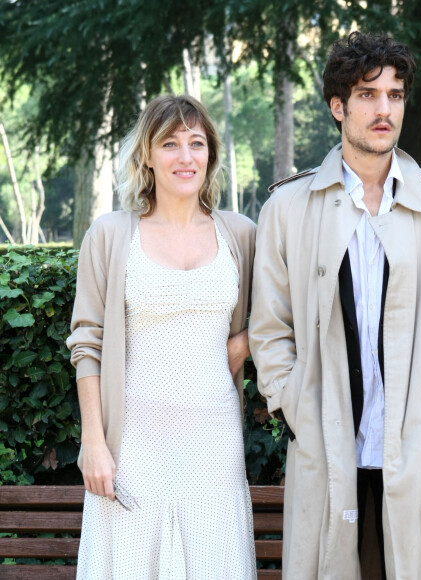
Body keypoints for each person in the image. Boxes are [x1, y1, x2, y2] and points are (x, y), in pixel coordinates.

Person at [249, 31, 421, 579]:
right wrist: (295, 408)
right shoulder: (289, 207)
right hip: (324, 450)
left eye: (396, 95)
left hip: (415, 453)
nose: (385, 109)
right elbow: (269, 328)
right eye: (367, 94)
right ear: (338, 107)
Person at [67, 94, 257, 579]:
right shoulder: (110, 235)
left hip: (214, 442)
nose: (185, 156)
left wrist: (239, 346)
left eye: (196, 143)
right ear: (147, 155)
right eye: (170, 143)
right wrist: (94, 441)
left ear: (211, 154)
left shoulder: (241, 234)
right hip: (132, 444)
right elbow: (87, 344)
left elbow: (280, 314)